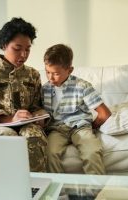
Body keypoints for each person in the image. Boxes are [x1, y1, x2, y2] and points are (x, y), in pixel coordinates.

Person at [0, 17, 48, 172]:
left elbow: (36, 106)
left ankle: (36, 189)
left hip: (26, 125)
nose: (23, 54)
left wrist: (40, 116)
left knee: (34, 135)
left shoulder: (33, 74)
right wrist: (10, 119)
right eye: (17, 48)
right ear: (4, 45)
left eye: (27, 49)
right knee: (7, 136)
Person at [42, 44, 111, 174]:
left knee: (92, 151)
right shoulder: (45, 89)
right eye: (47, 72)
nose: (50, 78)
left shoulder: (82, 86)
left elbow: (104, 113)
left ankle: (95, 192)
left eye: (56, 74)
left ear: (69, 70)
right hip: (56, 130)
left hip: (80, 127)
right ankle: (58, 192)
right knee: (49, 153)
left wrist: (91, 127)